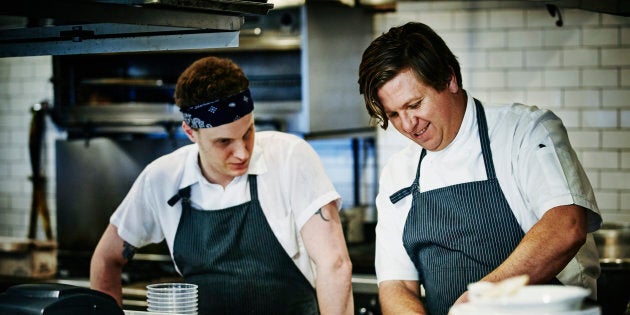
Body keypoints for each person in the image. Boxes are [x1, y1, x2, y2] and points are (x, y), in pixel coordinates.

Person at [357, 22, 602, 315]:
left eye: (415, 104)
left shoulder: (523, 132)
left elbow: (566, 226)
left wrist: (479, 302)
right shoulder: (399, 172)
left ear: (449, 79)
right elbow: (396, 285)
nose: (408, 125)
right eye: (394, 114)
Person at [90, 56, 354, 315]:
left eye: (248, 132)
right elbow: (106, 258)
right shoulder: (163, 178)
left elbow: (335, 264)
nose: (242, 153)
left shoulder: (289, 158)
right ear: (190, 132)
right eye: (224, 142)